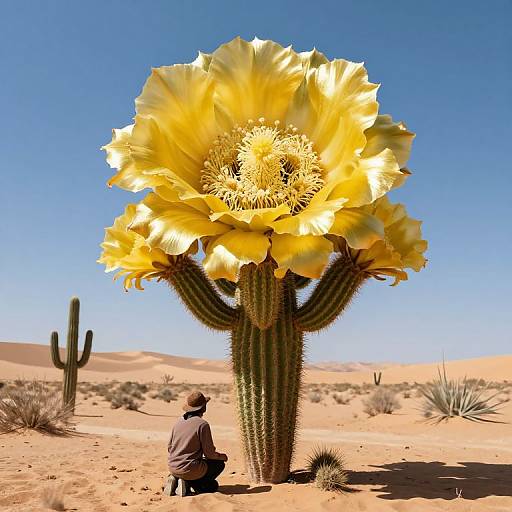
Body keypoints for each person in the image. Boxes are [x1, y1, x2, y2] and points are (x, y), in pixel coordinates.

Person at [164, 390, 228, 497]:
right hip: (190, 469)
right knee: (215, 476)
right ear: (204, 408)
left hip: (173, 467)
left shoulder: (178, 422)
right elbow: (209, 454)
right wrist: (222, 456)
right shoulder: (202, 425)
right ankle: (190, 482)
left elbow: (170, 448)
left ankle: (177, 478)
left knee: (200, 466)